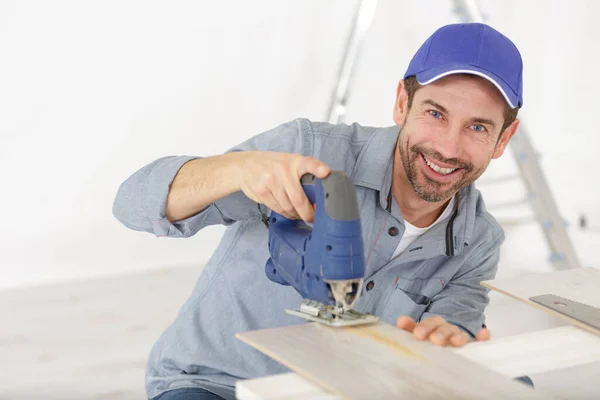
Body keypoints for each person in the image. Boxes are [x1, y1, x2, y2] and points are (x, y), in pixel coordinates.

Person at [113, 22, 523, 400]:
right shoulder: (309, 152)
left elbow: (454, 326)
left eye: (477, 127)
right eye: (435, 114)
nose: (448, 148)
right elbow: (131, 204)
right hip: (221, 385)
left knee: (517, 384)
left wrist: (446, 339)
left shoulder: (478, 241)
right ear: (402, 103)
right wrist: (236, 169)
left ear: (503, 139)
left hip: (350, 391)